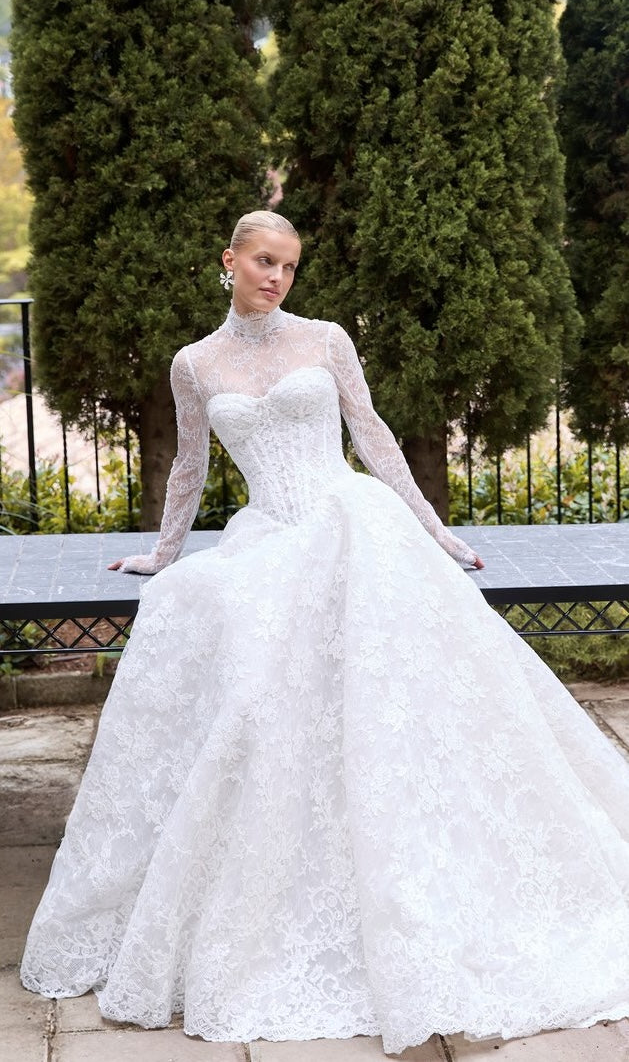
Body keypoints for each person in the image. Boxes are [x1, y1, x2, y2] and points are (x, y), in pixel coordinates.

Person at [20, 210, 629, 1055]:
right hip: (269, 535)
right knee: (241, 669)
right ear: (229, 260)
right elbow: (190, 464)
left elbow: (372, 437)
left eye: (290, 266)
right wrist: (162, 555)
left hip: (354, 526)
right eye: (264, 261)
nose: (276, 277)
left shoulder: (327, 340)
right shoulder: (194, 363)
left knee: (386, 690)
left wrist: (435, 531)